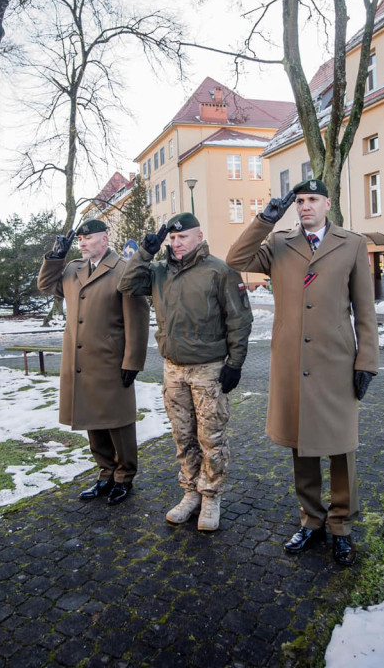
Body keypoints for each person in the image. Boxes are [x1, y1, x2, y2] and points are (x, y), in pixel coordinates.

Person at [227, 179, 379, 566]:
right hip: (292, 360)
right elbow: (235, 259)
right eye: (299, 201)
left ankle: (341, 526)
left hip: (336, 361)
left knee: (341, 446)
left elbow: (365, 310)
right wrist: (264, 219)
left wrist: (367, 361)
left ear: (328, 202)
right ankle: (312, 520)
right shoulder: (279, 243)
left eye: (312, 199)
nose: (305, 206)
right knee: (301, 445)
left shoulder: (352, 243)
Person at [118, 212, 252, 531]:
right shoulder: (160, 271)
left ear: (199, 235)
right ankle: (190, 492)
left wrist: (235, 363)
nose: (177, 243)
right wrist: (145, 252)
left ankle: (211, 497)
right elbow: (126, 285)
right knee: (183, 437)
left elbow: (239, 320)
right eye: (172, 238)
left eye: (183, 237)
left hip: (208, 370)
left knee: (211, 438)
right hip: (173, 370)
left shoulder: (219, 271)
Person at [37, 218, 149, 506]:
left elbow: (137, 319)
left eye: (89, 238)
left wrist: (133, 361)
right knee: (92, 419)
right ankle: (105, 472)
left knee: (118, 422)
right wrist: (56, 257)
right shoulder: (73, 269)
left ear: (105, 238)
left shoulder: (122, 269)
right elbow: (46, 284)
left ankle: (124, 476)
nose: (83, 243)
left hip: (112, 360)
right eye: (80, 240)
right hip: (80, 359)